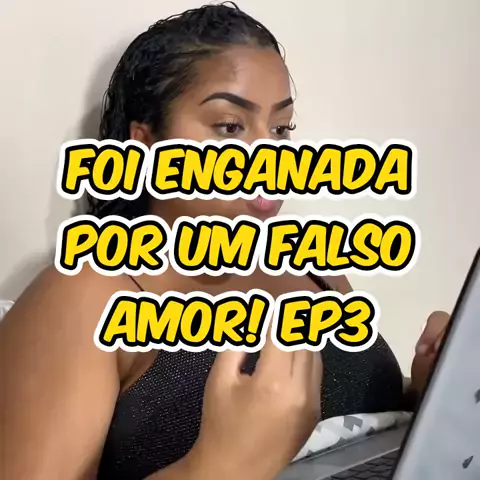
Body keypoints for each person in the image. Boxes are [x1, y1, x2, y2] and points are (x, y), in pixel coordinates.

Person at [0, 3, 450, 480]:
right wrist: (218, 466)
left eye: (280, 129)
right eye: (230, 127)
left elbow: (351, 426)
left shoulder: (313, 269)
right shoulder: (87, 294)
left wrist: (432, 391)